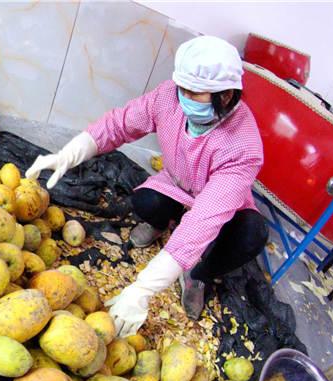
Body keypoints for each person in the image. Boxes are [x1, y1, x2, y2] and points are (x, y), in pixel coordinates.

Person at [26, 35, 268, 337]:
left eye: (197, 94)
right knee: (145, 203)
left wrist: (142, 289)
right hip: (177, 183)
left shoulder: (243, 147)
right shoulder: (169, 97)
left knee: (251, 235)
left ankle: (198, 275)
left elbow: (202, 222)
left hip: (219, 204)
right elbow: (118, 125)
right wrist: (69, 153)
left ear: (227, 94)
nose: (187, 100)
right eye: (184, 90)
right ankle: (161, 222)